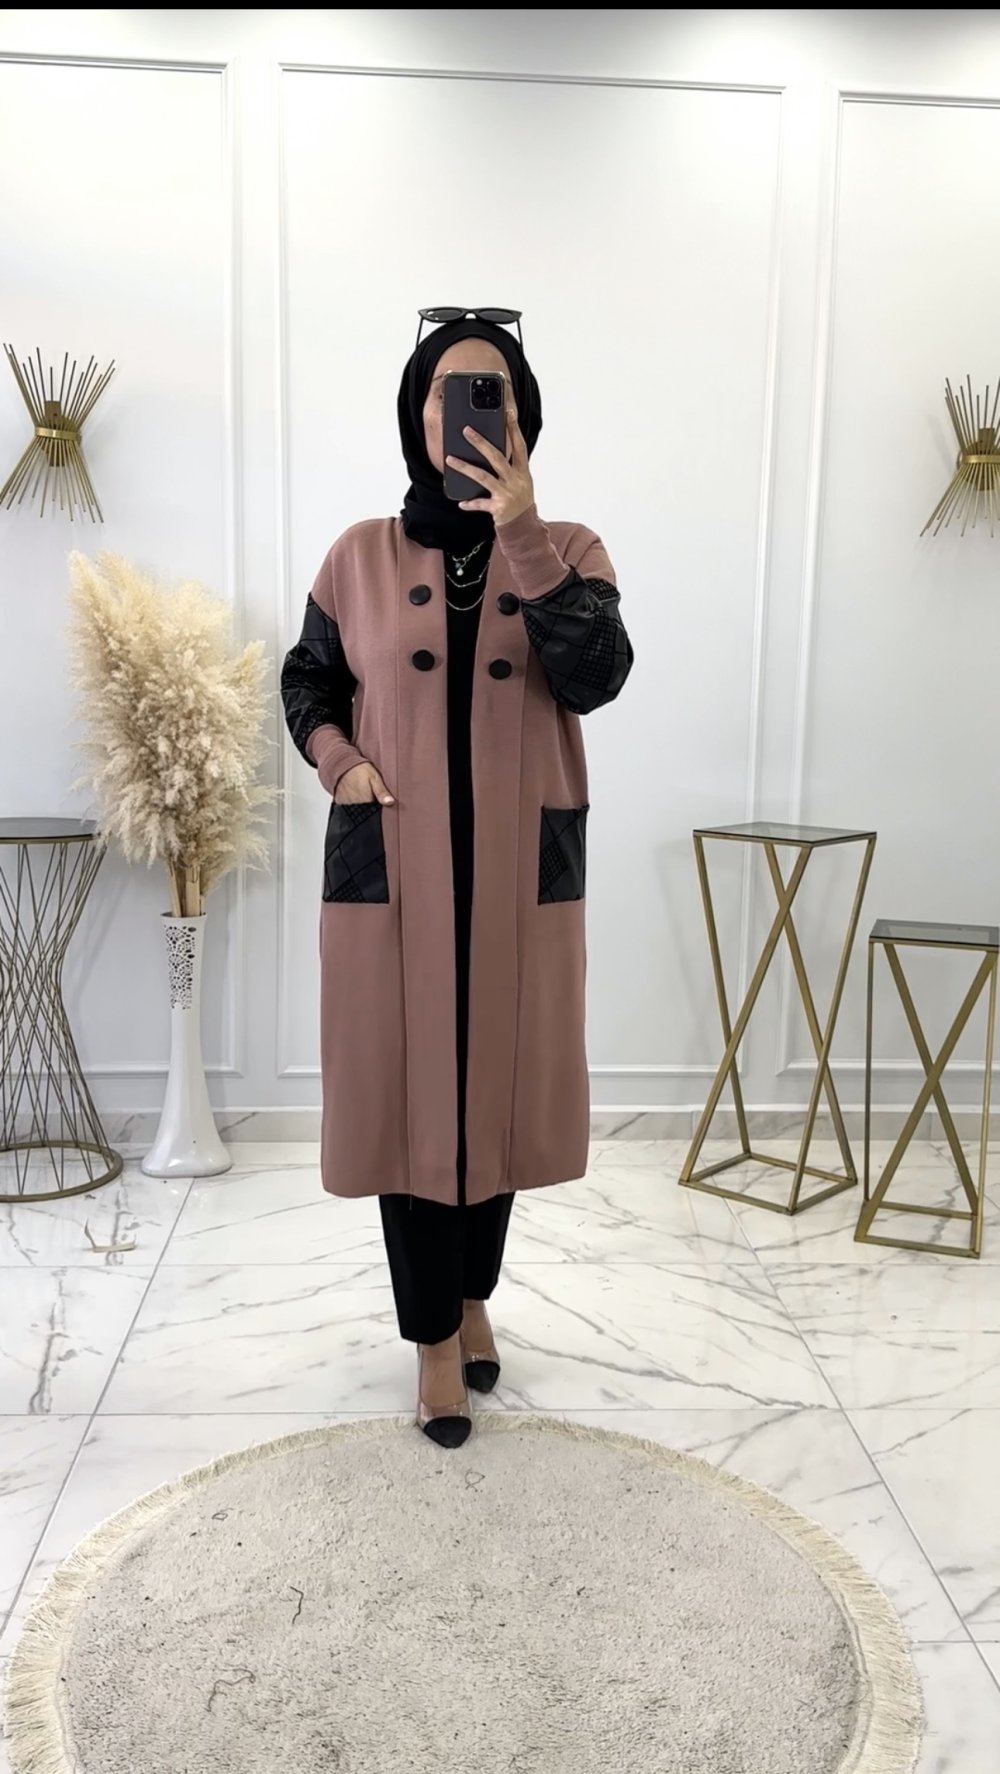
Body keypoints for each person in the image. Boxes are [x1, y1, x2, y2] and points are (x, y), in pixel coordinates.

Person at [281, 309, 632, 1448]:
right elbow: (306, 682)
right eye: (450, 389)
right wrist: (338, 762)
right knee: (407, 1102)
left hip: (519, 877)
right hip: (395, 872)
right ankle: (434, 1335)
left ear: (523, 415)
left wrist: (519, 529)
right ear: (415, 411)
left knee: (501, 1095)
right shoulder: (357, 555)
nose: (472, 409)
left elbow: (596, 675)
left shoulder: (570, 547)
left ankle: (475, 1294)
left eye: (495, 391)